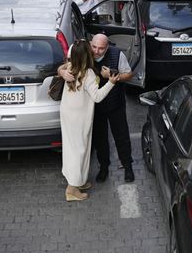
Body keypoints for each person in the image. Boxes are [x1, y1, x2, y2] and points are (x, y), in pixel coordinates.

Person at [57, 40, 119, 201]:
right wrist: (111, 83)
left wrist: (61, 71)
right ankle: (72, 190)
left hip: (68, 113)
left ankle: (78, 181)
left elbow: (61, 67)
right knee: (79, 150)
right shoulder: (88, 73)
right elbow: (97, 97)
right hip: (79, 117)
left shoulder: (70, 67)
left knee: (73, 149)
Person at [87, 34, 134, 183]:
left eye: (101, 48)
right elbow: (68, 64)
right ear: (90, 44)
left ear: (107, 47)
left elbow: (129, 74)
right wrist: (62, 72)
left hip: (115, 104)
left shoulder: (117, 54)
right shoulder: (86, 54)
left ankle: (127, 166)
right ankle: (104, 168)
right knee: (100, 139)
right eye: (94, 47)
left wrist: (113, 75)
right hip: (96, 105)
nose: (97, 51)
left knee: (122, 136)